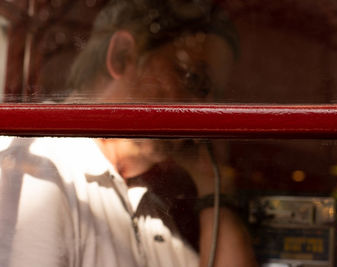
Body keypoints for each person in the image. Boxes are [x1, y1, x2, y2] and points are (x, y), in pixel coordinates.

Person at [0, 0, 257, 266]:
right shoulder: (38, 169)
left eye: (214, 97)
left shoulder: (147, 205)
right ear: (122, 57)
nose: (205, 110)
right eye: (193, 79)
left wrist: (212, 187)